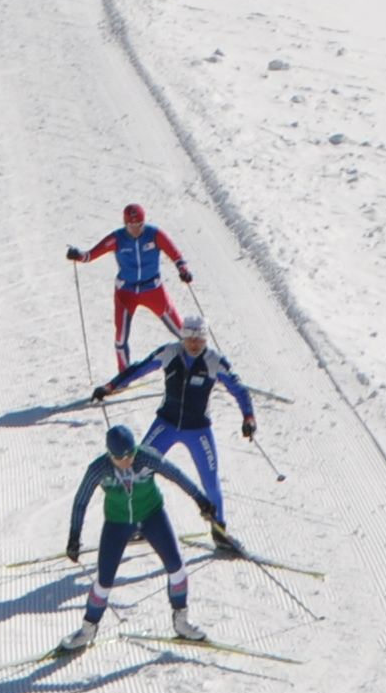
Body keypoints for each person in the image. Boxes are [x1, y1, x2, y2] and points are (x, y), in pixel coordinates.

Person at [94, 317, 256, 547]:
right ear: (182, 337)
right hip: (166, 424)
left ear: (205, 340)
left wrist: (248, 418)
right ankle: (136, 523)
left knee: (210, 481)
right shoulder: (169, 352)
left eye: (198, 340)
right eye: (189, 339)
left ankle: (219, 530)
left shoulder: (214, 361)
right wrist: (111, 386)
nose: (193, 344)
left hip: (198, 429)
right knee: (137, 469)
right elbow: (139, 368)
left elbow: (239, 390)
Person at [57, 424, 216, 653]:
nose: (127, 461)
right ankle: (87, 630)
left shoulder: (145, 458)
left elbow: (176, 475)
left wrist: (201, 500)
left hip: (152, 515)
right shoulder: (99, 468)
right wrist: (74, 537)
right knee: (104, 582)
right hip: (117, 522)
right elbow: (81, 501)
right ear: (110, 454)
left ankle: (181, 622)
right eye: (120, 458)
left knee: (177, 568)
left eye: (130, 454)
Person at [66, 203, 192, 367]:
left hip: (153, 289)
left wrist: (183, 270)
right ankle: (123, 375)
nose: (136, 229)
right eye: (131, 225)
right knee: (120, 337)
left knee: (182, 332)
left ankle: (199, 367)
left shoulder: (154, 234)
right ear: (125, 223)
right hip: (126, 292)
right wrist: (77, 255)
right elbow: (90, 255)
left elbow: (176, 255)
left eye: (139, 224)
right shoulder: (117, 238)